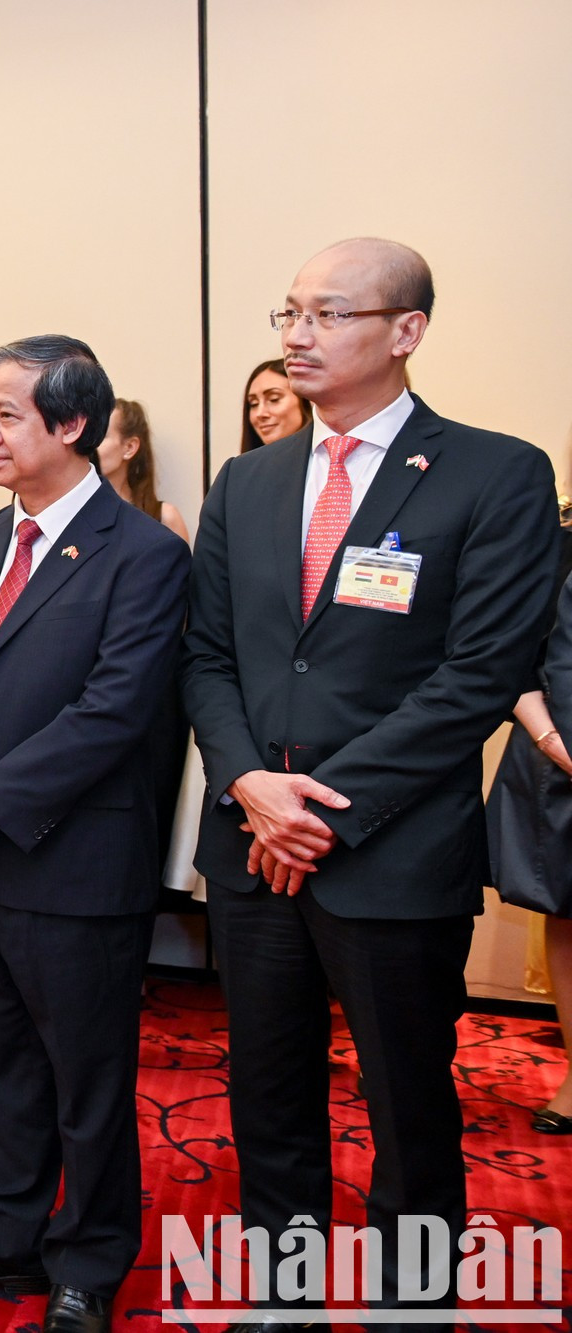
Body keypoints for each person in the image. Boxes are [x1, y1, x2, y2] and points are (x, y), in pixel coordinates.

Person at [184, 238, 561, 1324]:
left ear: (404, 331)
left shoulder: (494, 471)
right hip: (252, 838)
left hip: (389, 846)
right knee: (266, 1091)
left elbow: (479, 673)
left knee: (404, 1101)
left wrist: (321, 808)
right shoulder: (247, 480)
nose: (296, 336)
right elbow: (205, 655)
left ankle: (410, 1303)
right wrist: (253, 783)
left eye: (326, 314)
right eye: (287, 314)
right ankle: (281, 1294)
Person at [0, 337, 189, 1333]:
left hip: (72, 859)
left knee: (85, 1078)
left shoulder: (141, 552)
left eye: (5, 413)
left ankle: (88, 1261)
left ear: (69, 424)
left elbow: (114, 711)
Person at [487, 524, 572, 1135]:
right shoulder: (559, 540)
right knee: (568, 911)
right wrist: (552, 741)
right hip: (561, 758)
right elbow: (511, 659)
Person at [97, 400, 189, 540]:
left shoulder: (164, 517)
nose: (89, 445)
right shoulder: (74, 512)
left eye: (100, 436)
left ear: (129, 447)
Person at [239, 357, 311, 454]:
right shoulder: (240, 467)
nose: (260, 414)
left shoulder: (326, 463)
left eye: (274, 399)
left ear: (306, 400)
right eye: (254, 404)